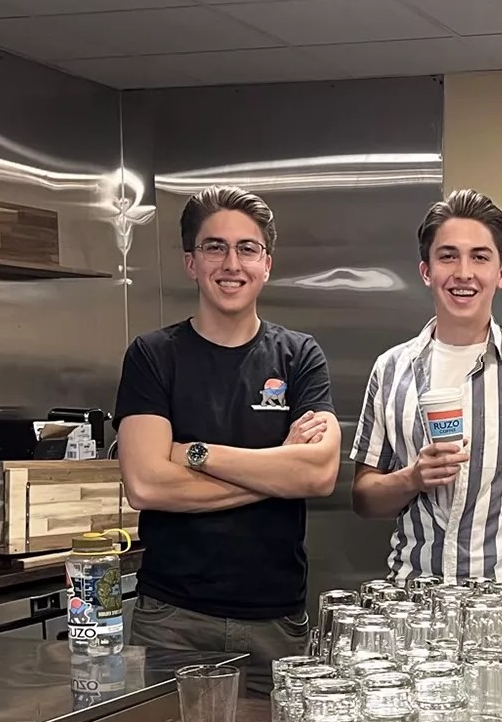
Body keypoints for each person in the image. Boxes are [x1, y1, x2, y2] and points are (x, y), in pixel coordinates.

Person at [115, 186, 340, 695]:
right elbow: (147, 485)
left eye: (247, 248)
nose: (231, 263)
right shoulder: (153, 356)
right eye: (215, 247)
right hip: (172, 620)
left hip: (276, 623)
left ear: (267, 264)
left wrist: (195, 454)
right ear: (191, 263)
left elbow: (320, 474)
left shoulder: (300, 357)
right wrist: (278, 469)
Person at [350, 189, 502, 581]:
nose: (463, 273)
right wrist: (412, 478)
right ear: (426, 271)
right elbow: (364, 499)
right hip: (414, 600)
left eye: (479, 257)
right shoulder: (390, 369)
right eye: (448, 256)